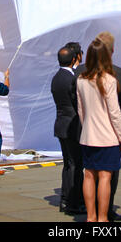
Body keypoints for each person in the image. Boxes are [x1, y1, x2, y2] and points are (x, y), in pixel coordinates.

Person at [75, 31, 121, 221]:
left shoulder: (81, 80)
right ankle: (102, 217)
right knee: (105, 178)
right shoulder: (110, 80)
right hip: (107, 137)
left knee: (89, 176)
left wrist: (86, 129)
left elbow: (81, 110)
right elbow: (115, 113)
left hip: (88, 135)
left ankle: (90, 217)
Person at [51, 47, 85, 215]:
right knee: (75, 165)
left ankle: (66, 199)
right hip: (71, 125)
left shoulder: (57, 77)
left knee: (68, 164)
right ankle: (73, 201)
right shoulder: (71, 79)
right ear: (73, 60)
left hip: (61, 124)